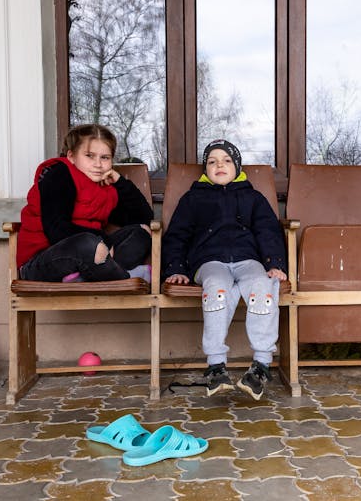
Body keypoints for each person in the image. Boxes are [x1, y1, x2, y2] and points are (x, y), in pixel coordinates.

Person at [162, 139, 287, 400]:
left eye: (226, 160)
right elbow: (177, 235)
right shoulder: (193, 198)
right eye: (212, 161)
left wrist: (274, 264)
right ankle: (216, 365)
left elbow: (268, 231)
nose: (219, 165)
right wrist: (177, 268)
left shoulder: (252, 197)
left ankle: (262, 364)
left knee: (264, 286)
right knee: (217, 289)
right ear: (205, 169)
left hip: (248, 260)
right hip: (209, 262)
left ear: (237, 166)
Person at [17, 124, 153, 283]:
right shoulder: (59, 174)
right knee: (88, 243)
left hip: (90, 255)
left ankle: (85, 276)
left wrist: (119, 181)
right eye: (89, 155)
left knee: (141, 232)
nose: (98, 164)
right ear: (71, 156)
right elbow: (56, 230)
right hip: (41, 261)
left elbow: (143, 216)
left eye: (105, 157)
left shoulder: (106, 189)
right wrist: (102, 239)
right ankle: (129, 277)